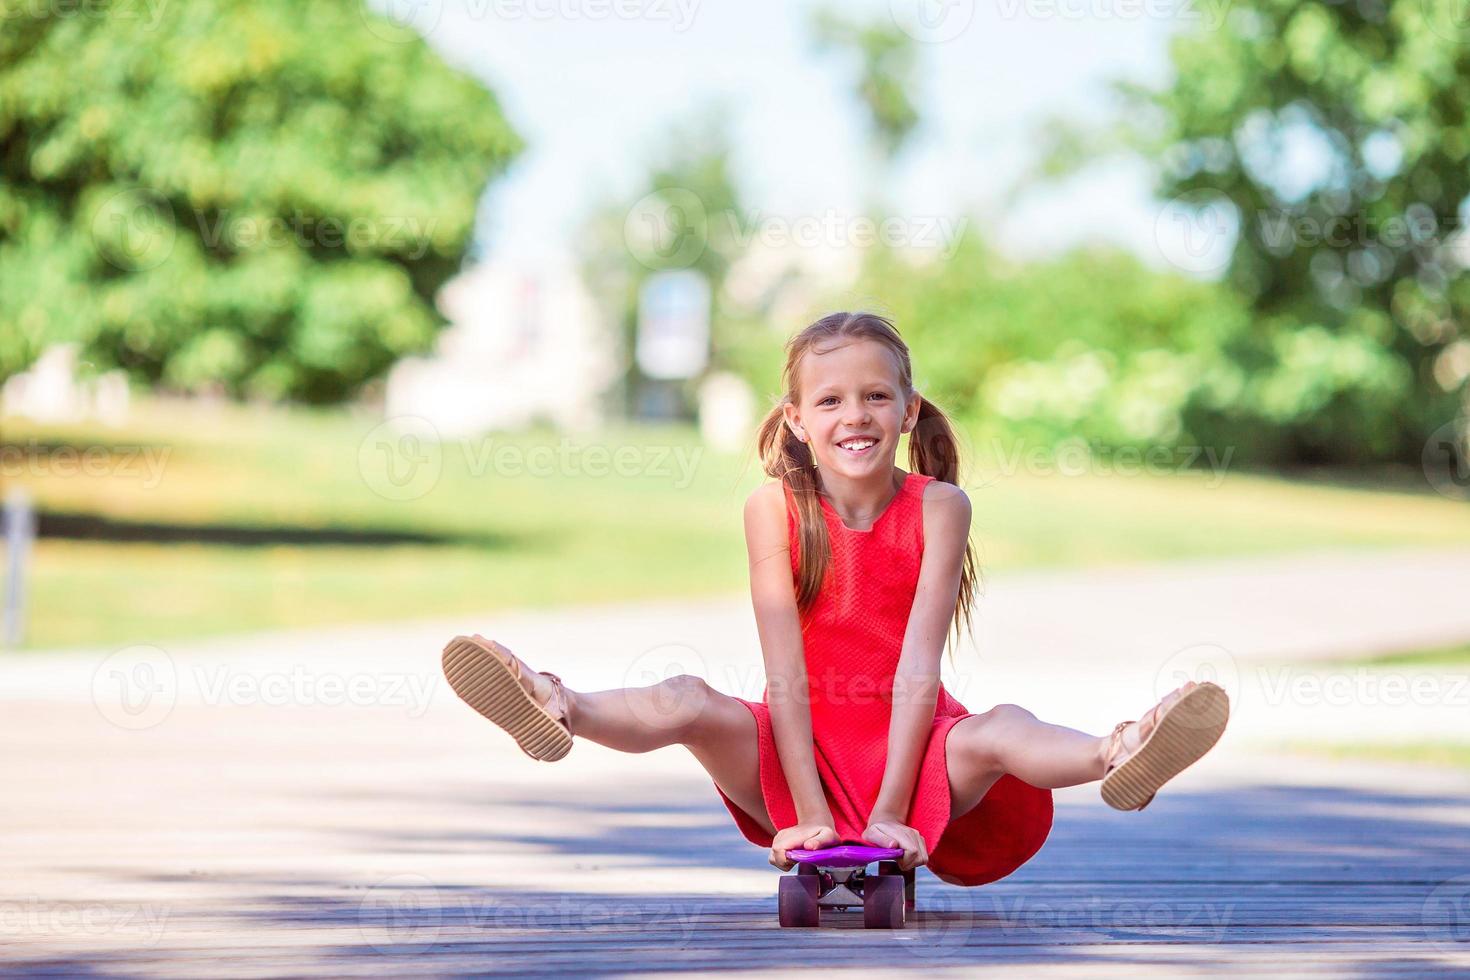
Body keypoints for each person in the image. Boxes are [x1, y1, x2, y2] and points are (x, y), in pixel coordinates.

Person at [441, 310, 1230, 885]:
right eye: (830, 401)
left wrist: (896, 812)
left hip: (915, 748)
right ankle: (555, 705)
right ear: (797, 422)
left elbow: (921, 668)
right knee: (683, 696)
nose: (855, 415)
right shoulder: (771, 510)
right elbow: (782, 674)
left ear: (908, 410)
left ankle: (1120, 751)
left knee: (999, 728)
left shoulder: (939, 507)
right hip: (795, 749)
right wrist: (804, 812)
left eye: (876, 397)